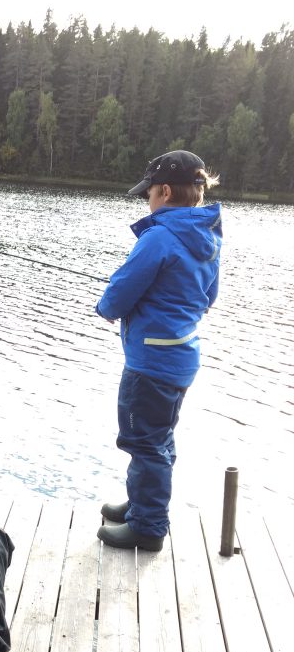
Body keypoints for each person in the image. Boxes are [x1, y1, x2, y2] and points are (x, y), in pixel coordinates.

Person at [95, 150, 222, 551]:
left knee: (143, 441)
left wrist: (106, 305)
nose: (147, 200)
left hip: (151, 362)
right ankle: (140, 505)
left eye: (149, 193)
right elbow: (208, 297)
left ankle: (148, 527)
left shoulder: (160, 236)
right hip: (181, 357)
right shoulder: (208, 237)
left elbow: (119, 293)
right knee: (158, 438)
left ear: (165, 192)